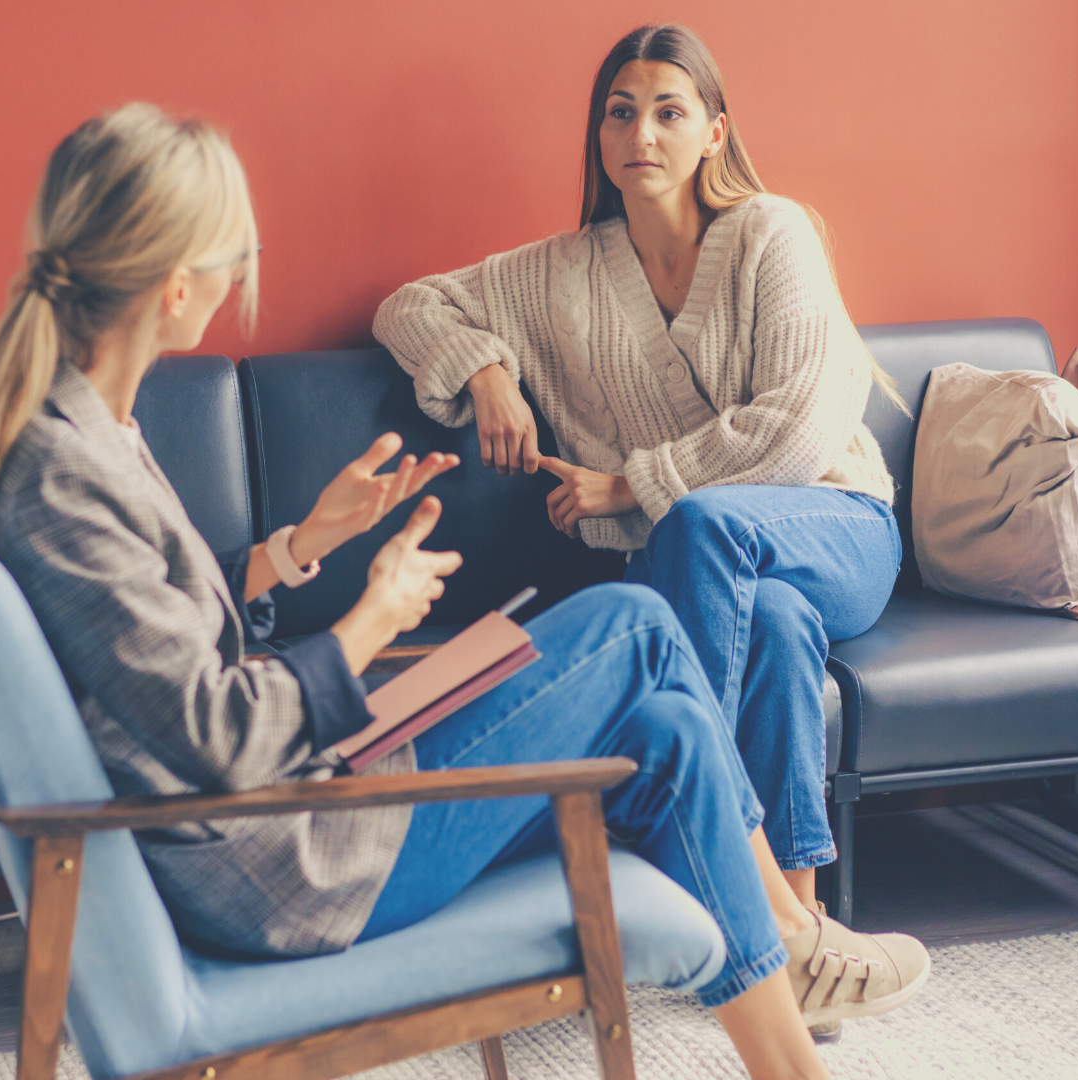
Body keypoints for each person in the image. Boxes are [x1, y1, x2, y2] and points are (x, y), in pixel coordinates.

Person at [0, 102, 923, 1080]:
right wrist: (374, 620)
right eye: (231, 251)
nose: (242, 272)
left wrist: (309, 540)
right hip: (290, 865)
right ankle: (792, 937)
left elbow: (158, 636)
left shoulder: (84, 430)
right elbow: (214, 730)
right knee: (635, 624)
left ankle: (790, 1050)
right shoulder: (57, 470)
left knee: (665, 731)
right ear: (172, 282)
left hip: (295, 806)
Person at [374, 25, 912, 1022]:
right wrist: (488, 372)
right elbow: (410, 307)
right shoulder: (563, 272)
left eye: (669, 110)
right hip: (729, 567)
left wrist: (631, 485)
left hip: (838, 523)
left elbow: (799, 426)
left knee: (705, 529)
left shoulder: (773, 233)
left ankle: (691, 851)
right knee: (779, 626)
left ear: (714, 131)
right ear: (600, 133)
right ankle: (795, 931)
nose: (642, 132)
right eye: (621, 111)